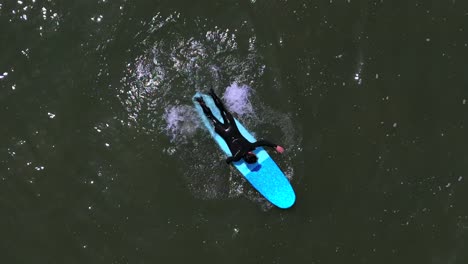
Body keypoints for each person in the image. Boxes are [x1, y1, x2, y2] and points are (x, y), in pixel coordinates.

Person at [195, 89, 284, 164]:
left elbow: (263, 142)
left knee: (223, 110)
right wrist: (229, 162)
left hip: (231, 126)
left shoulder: (251, 146)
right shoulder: (237, 157)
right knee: (211, 117)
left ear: (251, 153)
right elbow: (228, 160)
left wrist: (275, 146)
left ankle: (212, 93)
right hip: (222, 131)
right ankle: (201, 101)